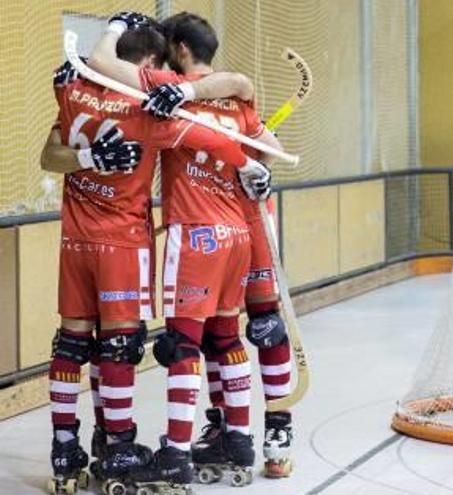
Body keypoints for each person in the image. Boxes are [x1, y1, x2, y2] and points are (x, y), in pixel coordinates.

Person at [42, 17, 268, 492]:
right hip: (127, 241)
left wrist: (85, 157)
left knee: (72, 343)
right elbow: (213, 132)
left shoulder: (73, 89)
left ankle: (67, 448)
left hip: (75, 240)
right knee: (124, 346)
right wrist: (248, 162)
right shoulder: (147, 109)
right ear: (150, 63)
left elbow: (50, 153)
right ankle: (124, 444)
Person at [142, 11, 294, 479]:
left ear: (180, 51)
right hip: (236, 229)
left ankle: (274, 431)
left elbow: (245, 94)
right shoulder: (231, 100)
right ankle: (229, 430)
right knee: (221, 335)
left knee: (257, 326)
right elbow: (253, 115)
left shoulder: (178, 95)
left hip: (236, 223)